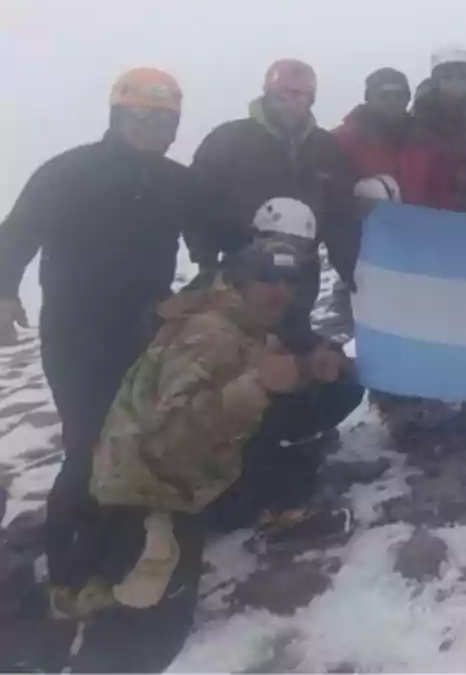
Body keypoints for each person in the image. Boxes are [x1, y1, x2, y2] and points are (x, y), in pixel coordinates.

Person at [56, 238, 359, 671]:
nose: (282, 290)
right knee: (145, 637)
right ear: (238, 278)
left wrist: (309, 370)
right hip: (147, 492)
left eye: (290, 279)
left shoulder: (247, 325)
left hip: (185, 482)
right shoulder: (209, 334)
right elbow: (166, 441)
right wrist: (258, 386)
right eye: (268, 277)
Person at [0, 69, 196, 597]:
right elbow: (14, 234)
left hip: (145, 328)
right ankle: (70, 572)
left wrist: (204, 290)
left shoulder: (177, 183)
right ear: (119, 116)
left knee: (140, 433)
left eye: (167, 120)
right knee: (88, 441)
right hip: (74, 330)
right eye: (145, 117)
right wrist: (4, 293)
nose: (157, 129)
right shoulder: (68, 172)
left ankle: (126, 541)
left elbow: (216, 239)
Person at [189, 59, 359, 355]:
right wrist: (205, 260)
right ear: (267, 93)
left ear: (311, 99)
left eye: (300, 95)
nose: (291, 104)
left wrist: (348, 267)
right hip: (241, 265)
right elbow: (198, 202)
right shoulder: (229, 140)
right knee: (236, 345)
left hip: (302, 270)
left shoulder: (325, 148)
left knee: (291, 343)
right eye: (283, 95)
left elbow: (340, 214)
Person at [409, 46, 466, 213]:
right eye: (448, 77)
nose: (455, 83)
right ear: (436, 81)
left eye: (462, 77)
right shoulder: (418, 116)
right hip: (431, 208)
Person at [331, 67, 433, 204]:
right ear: (369, 98)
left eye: (399, 95)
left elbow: (440, 196)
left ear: (408, 99)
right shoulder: (341, 141)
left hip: (421, 222)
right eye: (384, 95)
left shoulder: (424, 143)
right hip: (360, 222)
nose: (392, 101)